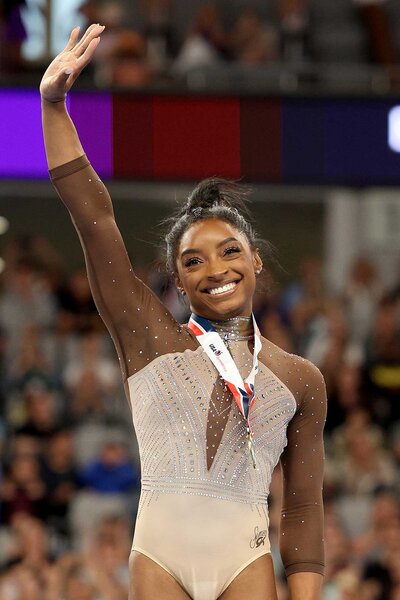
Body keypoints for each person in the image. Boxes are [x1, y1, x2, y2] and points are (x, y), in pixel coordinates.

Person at [39, 24, 326, 600]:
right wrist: (52, 107)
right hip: (159, 557)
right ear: (179, 281)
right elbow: (95, 220)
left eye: (229, 252)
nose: (214, 269)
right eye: (192, 261)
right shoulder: (149, 339)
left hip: (245, 560)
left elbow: (301, 510)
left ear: (256, 262)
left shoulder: (301, 380)